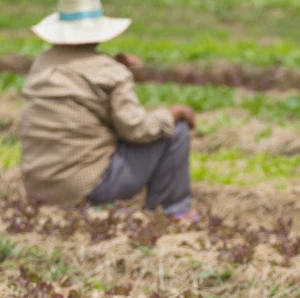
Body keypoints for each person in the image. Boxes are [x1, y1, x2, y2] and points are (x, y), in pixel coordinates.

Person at [20, 0, 198, 222]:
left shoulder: (42, 64)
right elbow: (137, 129)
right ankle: (174, 211)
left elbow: (84, 80)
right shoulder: (111, 72)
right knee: (176, 130)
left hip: (38, 186)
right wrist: (172, 113)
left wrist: (118, 69)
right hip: (85, 186)